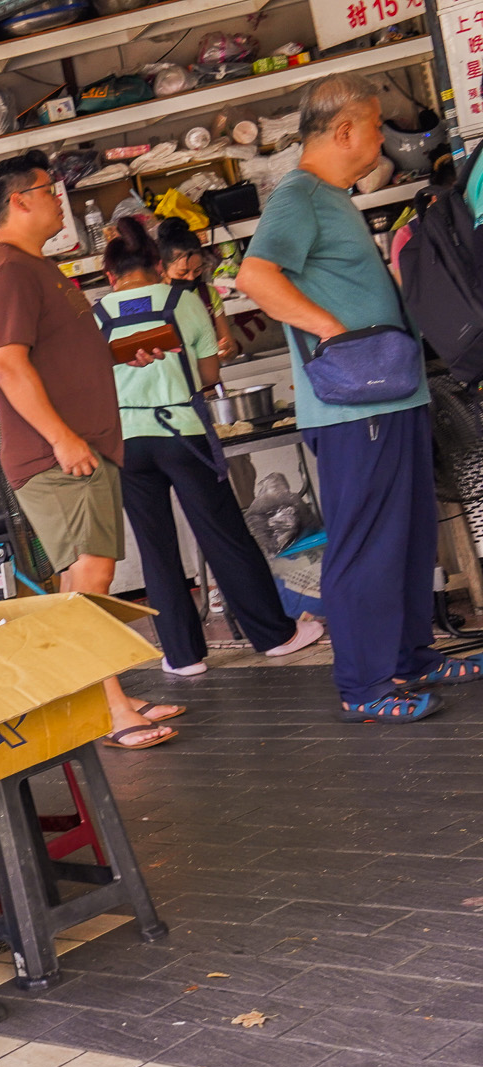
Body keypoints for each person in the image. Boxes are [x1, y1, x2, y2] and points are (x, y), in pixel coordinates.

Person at [237, 74, 483, 720]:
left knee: (405, 537)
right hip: (354, 407)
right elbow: (254, 275)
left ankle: (410, 658)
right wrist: (330, 330)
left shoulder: (331, 197)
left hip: (389, 396)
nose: (382, 138)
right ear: (343, 129)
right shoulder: (298, 196)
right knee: (367, 543)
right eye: (375, 126)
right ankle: (365, 684)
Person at [0, 150, 184, 749]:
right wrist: (62, 437)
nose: (57, 199)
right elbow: (9, 366)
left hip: (80, 446)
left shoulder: (39, 267)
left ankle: (107, 699)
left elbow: (55, 356)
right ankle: (106, 710)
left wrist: (123, 353)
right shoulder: (10, 271)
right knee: (90, 577)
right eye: (49, 189)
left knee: (84, 579)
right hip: (57, 453)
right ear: (19, 201)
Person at [93, 216, 326, 674]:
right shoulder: (183, 301)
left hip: (128, 444)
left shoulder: (97, 316)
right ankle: (274, 635)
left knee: (156, 548)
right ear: (158, 265)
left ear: (109, 275)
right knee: (223, 536)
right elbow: (209, 375)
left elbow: (96, 384)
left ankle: (182, 657)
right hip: (183, 435)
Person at [158, 217, 242, 363]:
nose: (191, 278)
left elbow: (229, 345)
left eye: (197, 271)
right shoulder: (155, 300)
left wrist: (227, 351)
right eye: (182, 273)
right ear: (162, 269)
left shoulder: (207, 295)